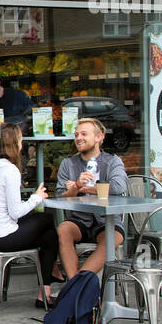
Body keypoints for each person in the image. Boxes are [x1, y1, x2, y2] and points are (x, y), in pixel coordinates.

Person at [0, 123, 57, 305]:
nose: (22, 145)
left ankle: (46, 292)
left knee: (49, 237)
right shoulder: (9, 170)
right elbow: (15, 212)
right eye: (20, 140)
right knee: (47, 219)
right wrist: (36, 197)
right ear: (12, 144)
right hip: (0, 238)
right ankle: (50, 279)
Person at [54, 118, 128, 280]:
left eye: (83, 134)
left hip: (108, 221)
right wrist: (76, 187)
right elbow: (60, 196)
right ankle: (77, 285)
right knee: (63, 230)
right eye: (76, 134)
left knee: (111, 238)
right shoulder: (68, 164)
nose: (78, 138)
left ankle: (76, 285)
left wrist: (84, 188)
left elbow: (118, 187)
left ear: (99, 137)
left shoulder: (112, 161)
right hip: (79, 221)